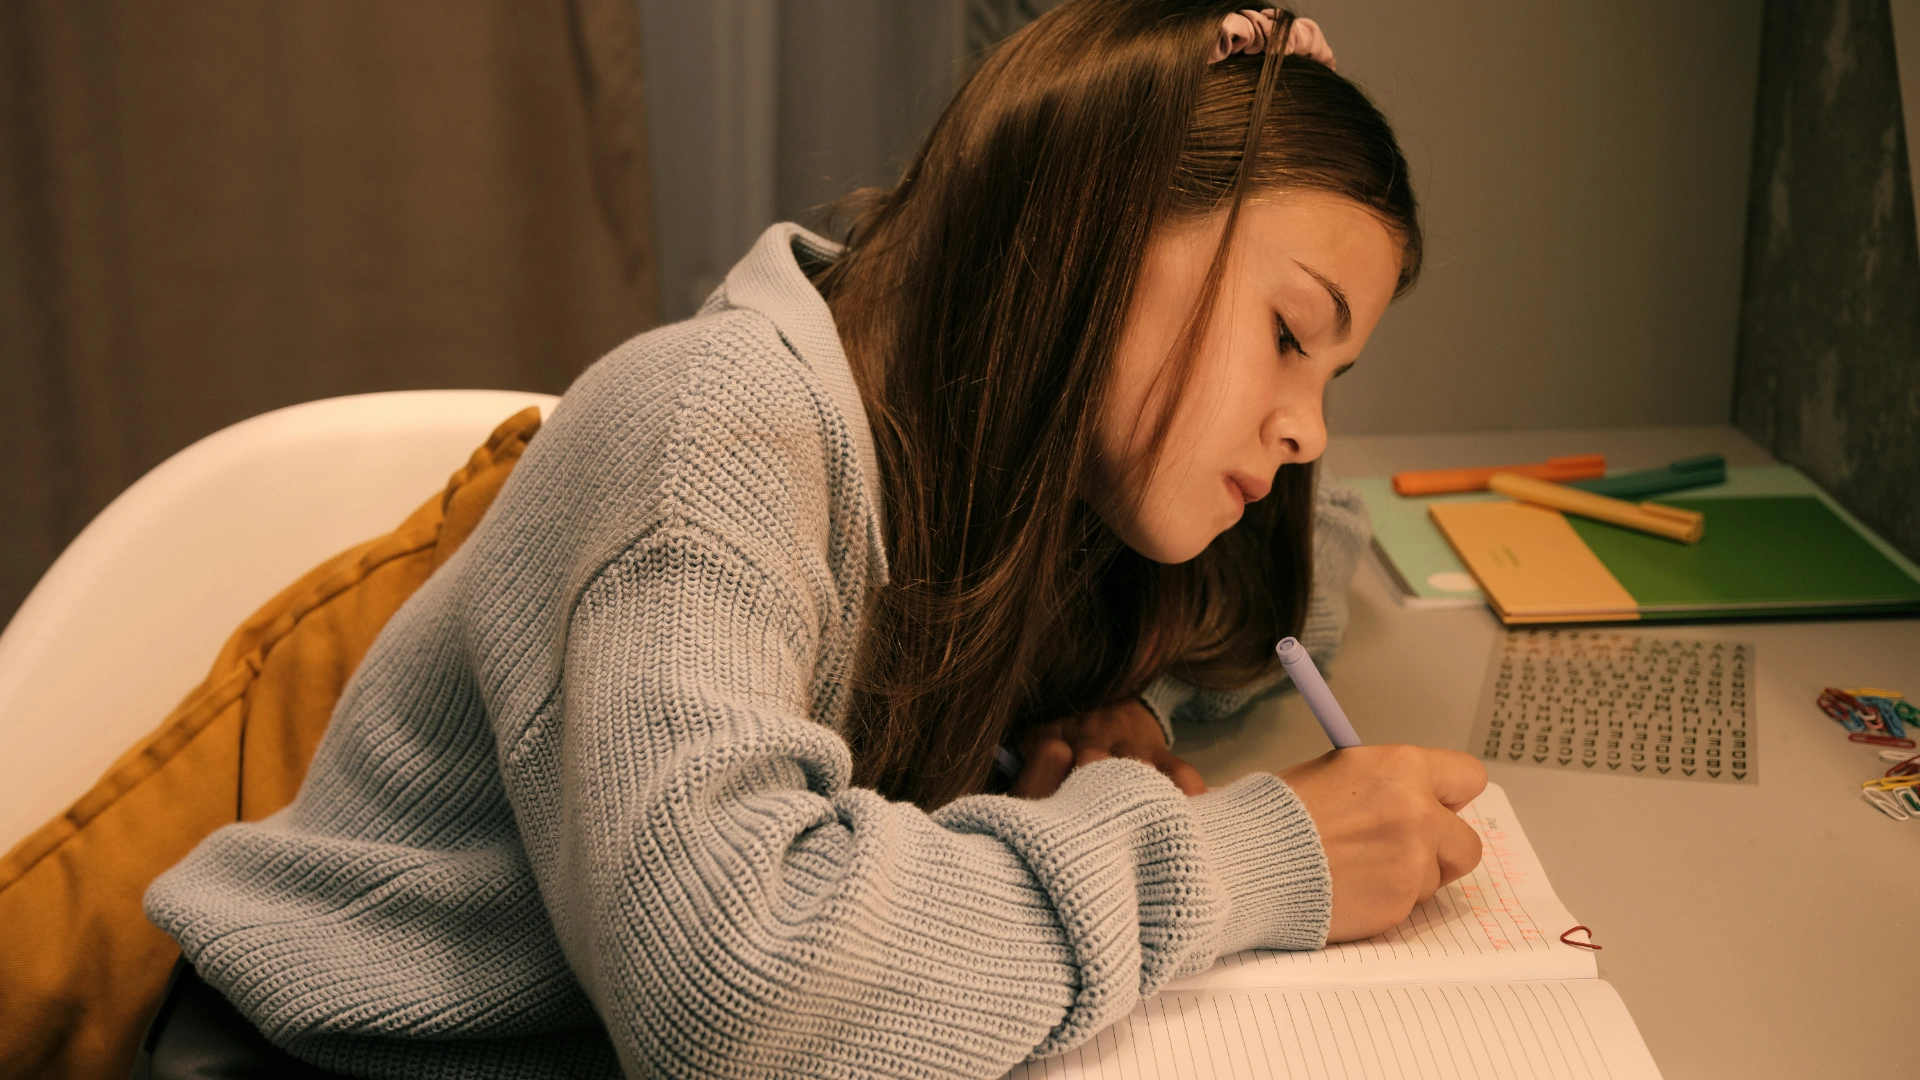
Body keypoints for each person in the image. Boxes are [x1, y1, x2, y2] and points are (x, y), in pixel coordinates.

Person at [136, 4, 1487, 1078]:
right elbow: (734, 989)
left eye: (1333, 381)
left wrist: (1101, 706)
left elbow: (1278, 617)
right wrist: (1249, 859)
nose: (1306, 430)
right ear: (1094, 228)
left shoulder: (1019, 487)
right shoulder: (712, 431)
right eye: (1290, 337)